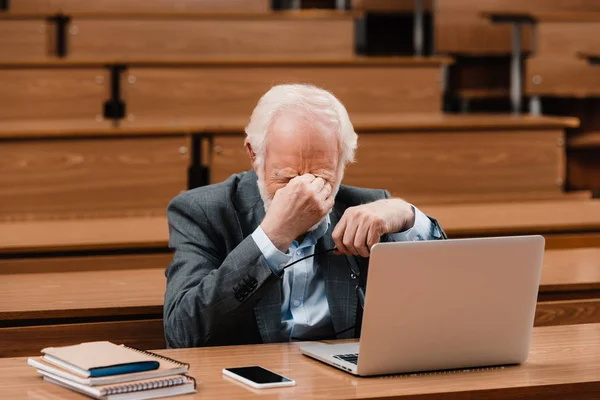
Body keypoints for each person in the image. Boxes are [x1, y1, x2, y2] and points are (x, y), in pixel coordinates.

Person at [164, 84, 445, 348]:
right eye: (287, 178)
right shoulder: (203, 211)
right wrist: (273, 236)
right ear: (254, 154)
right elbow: (182, 333)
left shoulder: (370, 208)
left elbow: (446, 299)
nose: (305, 193)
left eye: (321, 177)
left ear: (343, 162)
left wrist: (407, 215)